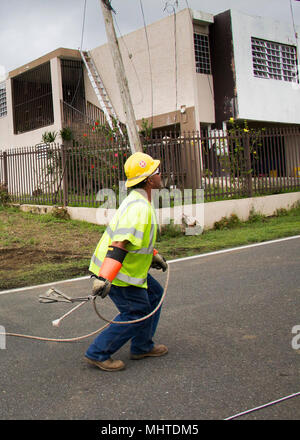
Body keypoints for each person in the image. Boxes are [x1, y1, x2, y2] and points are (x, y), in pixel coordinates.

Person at [85, 152, 168, 372]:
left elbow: (134, 240)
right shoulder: (140, 207)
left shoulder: (138, 201)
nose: (161, 174)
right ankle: (98, 353)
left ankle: (142, 346)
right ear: (149, 180)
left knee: (154, 295)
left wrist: (152, 256)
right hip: (118, 273)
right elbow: (121, 244)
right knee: (137, 312)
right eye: (157, 171)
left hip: (128, 270)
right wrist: (105, 278)